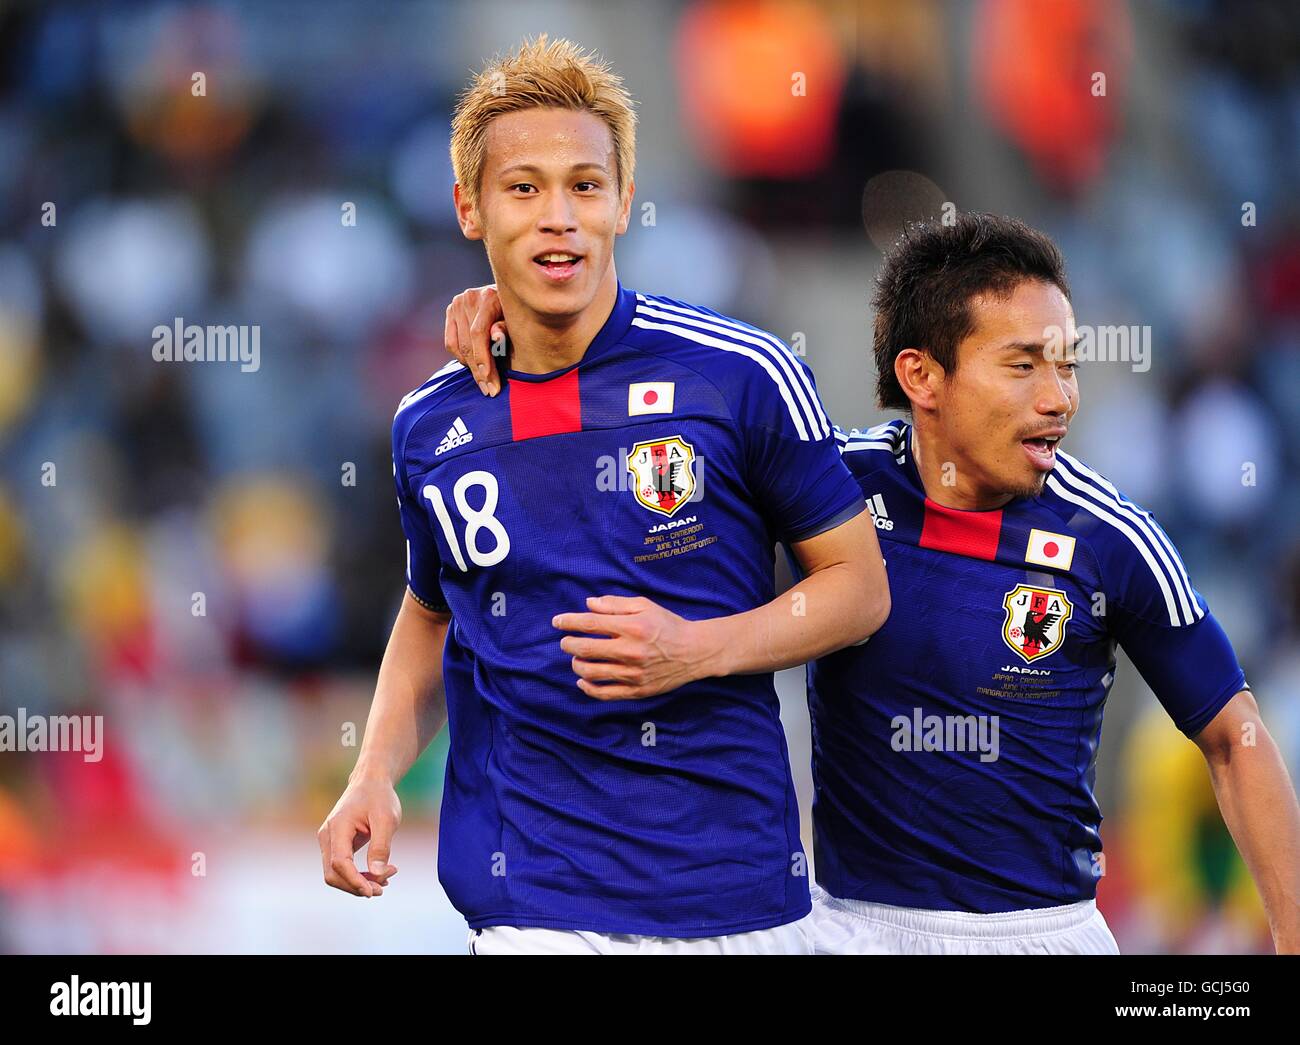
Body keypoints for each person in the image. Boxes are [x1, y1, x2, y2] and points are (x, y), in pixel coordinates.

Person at [444, 212, 1300, 954]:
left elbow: (1235, 736)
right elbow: (649, 426)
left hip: (1044, 928)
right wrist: (529, 326)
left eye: (1067, 364)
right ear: (924, 376)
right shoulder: (835, 490)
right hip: (849, 926)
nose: (1059, 398)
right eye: (1023, 365)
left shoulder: (1108, 537)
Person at [318, 35, 889, 955]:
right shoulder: (430, 424)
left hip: (734, 899)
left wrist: (697, 649)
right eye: (524, 188)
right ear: (470, 208)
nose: (559, 218)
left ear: (625, 200)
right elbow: (431, 615)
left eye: (585, 186)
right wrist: (374, 772)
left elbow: (860, 587)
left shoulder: (740, 375)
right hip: (531, 907)